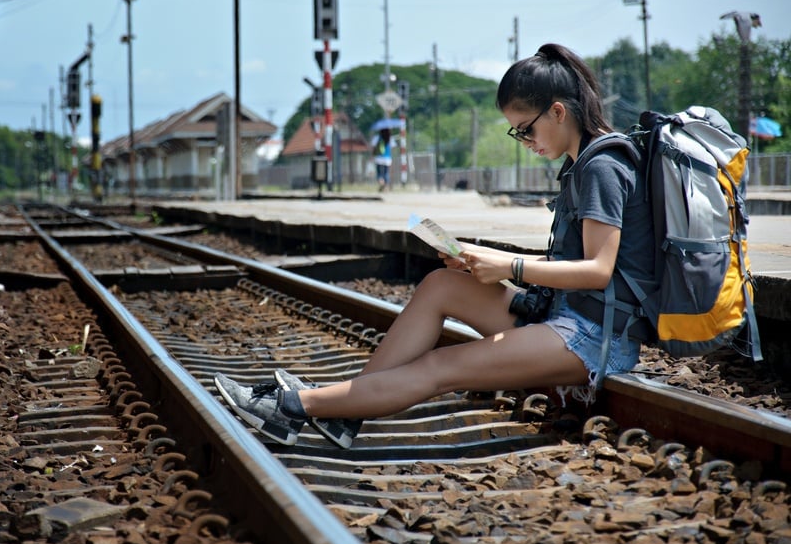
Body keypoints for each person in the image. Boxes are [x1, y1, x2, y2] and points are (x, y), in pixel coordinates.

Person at [215, 43, 655, 448]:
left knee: (439, 368)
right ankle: (346, 412)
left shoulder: (602, 167)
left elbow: (598, 269)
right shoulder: (581, 164)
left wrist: (510, 268)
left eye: (524, 130)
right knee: (441, 285)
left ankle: (295, 406)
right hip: (565, 314)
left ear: (558, 112)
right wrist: (487, 260)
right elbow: (571, 262)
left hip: (593, 338)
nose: (525, 142)